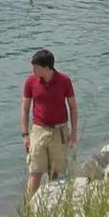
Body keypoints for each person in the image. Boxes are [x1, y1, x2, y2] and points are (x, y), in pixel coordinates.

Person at [20, 47, 78, 200]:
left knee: (55, 172)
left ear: (46, 68)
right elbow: (25, 108)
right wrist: (25, 134)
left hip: (59, 130)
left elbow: (72, 107)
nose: (33, 70)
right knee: (36, 171)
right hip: (38, 130)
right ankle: (29, 209)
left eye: (36, 67)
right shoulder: (30, 82)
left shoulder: (64, 80)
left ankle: (50, 203)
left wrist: (74, 132)